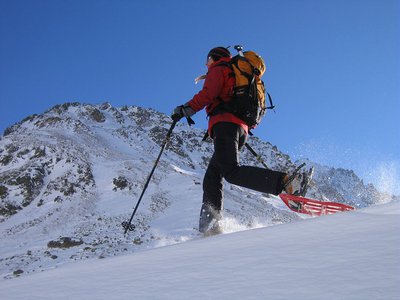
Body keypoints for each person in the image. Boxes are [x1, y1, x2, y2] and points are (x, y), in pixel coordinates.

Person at [172, 47, 307, 235]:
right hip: (238, 128)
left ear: (214, 57)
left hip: (226, 126)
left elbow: (208, 94)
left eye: (208, 59)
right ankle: (209, 228)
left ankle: (286, 182)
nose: (206, 64)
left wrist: (184, 109)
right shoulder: (235, 72)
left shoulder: (219, 68)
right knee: (212, 177)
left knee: (231, 172)